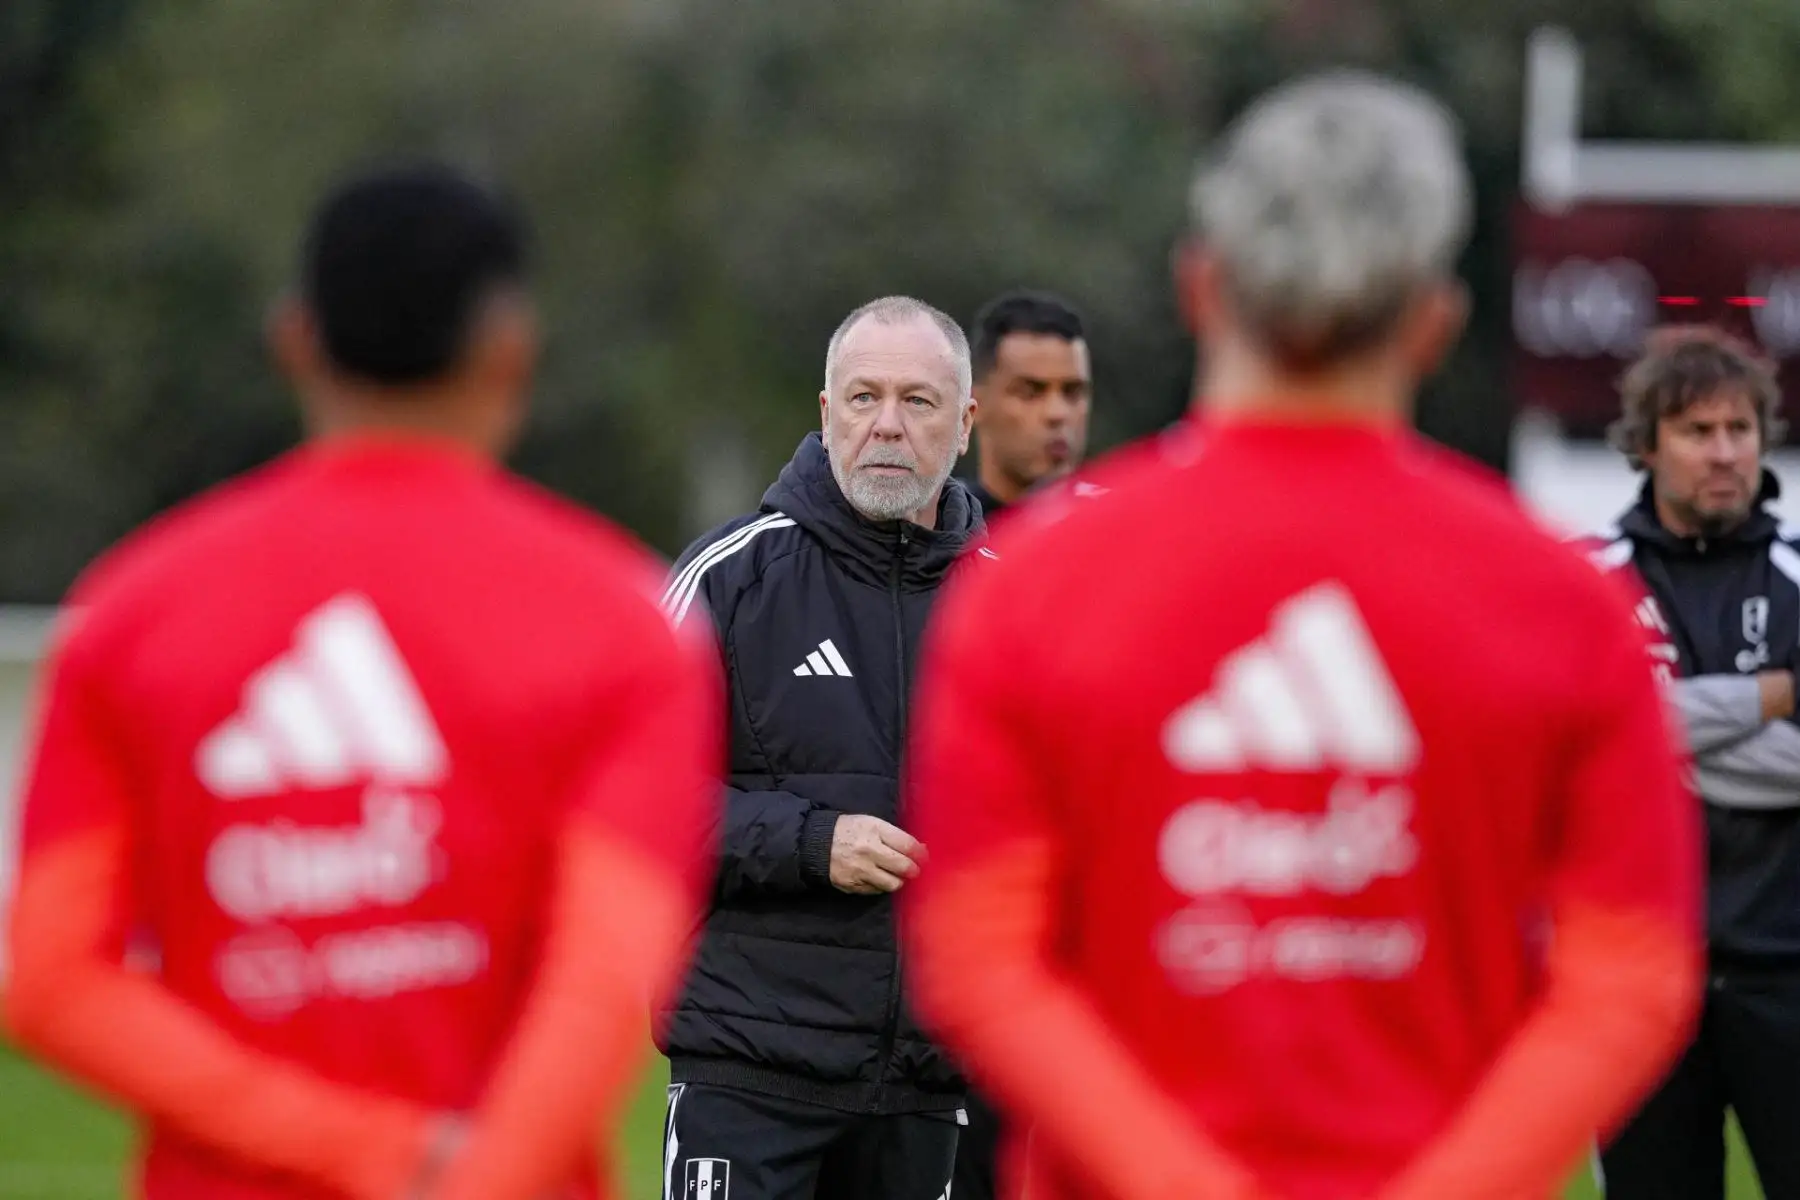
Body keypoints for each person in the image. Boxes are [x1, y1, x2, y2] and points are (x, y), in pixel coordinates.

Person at [903, 71, 1704, 1200]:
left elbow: (978, 947)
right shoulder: (1566, 603)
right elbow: (1631, 968)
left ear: (1199, 287)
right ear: (1435, 323)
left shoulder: (1030, 586)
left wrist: (1172, 1180)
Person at [2, 163, 721, 1200]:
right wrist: (470, 1176)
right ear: (510, 350)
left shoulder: (130, 612)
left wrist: (356, 1147)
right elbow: (605, 976)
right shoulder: (624, 624)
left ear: (296, 339)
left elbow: (54, 980)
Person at [658, 295, 980, 1200]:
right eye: (864, 397)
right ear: (826, 411)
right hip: (747, 1072)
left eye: (917, 401)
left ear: (965, 423)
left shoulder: (1016, 603)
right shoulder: (727, 580)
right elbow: (630, 805)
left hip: (928, 1085)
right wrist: (809, 841)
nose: (887, 425)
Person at [1583, 325, 1800, 1200]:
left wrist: (1649, 737)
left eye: (1739, 429)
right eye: (1697, 431)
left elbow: (1625, 737)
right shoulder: (1589, 583)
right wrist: (1770, 697)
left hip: (1788, 973)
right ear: (1646, 445)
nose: (1724, 453)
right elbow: (1579, 743)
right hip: (1639, 979)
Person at [962, 290, 1093, 527]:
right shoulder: (933, 534)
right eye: (1030, 393)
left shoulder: (1124, 528)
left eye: (1072, 392)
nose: (1057, 413)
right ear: (974, 406)